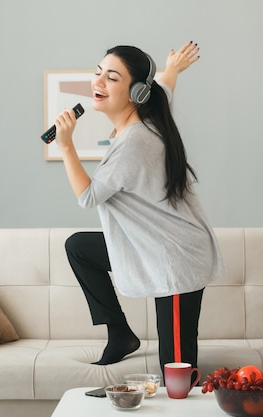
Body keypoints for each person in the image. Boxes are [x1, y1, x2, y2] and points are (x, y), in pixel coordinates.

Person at [53, 41, 224, 372]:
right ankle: (119, 332)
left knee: (176, 372)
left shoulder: (134, 142)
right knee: (80, 248)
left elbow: (88, 197)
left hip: (176, 259)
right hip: (155, 247)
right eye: (98, 73)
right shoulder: (150, 114)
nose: (98, 82)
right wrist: (171, 69)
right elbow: (164, 90)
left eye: (111, 78)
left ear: (137, 93)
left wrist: (66, 146)